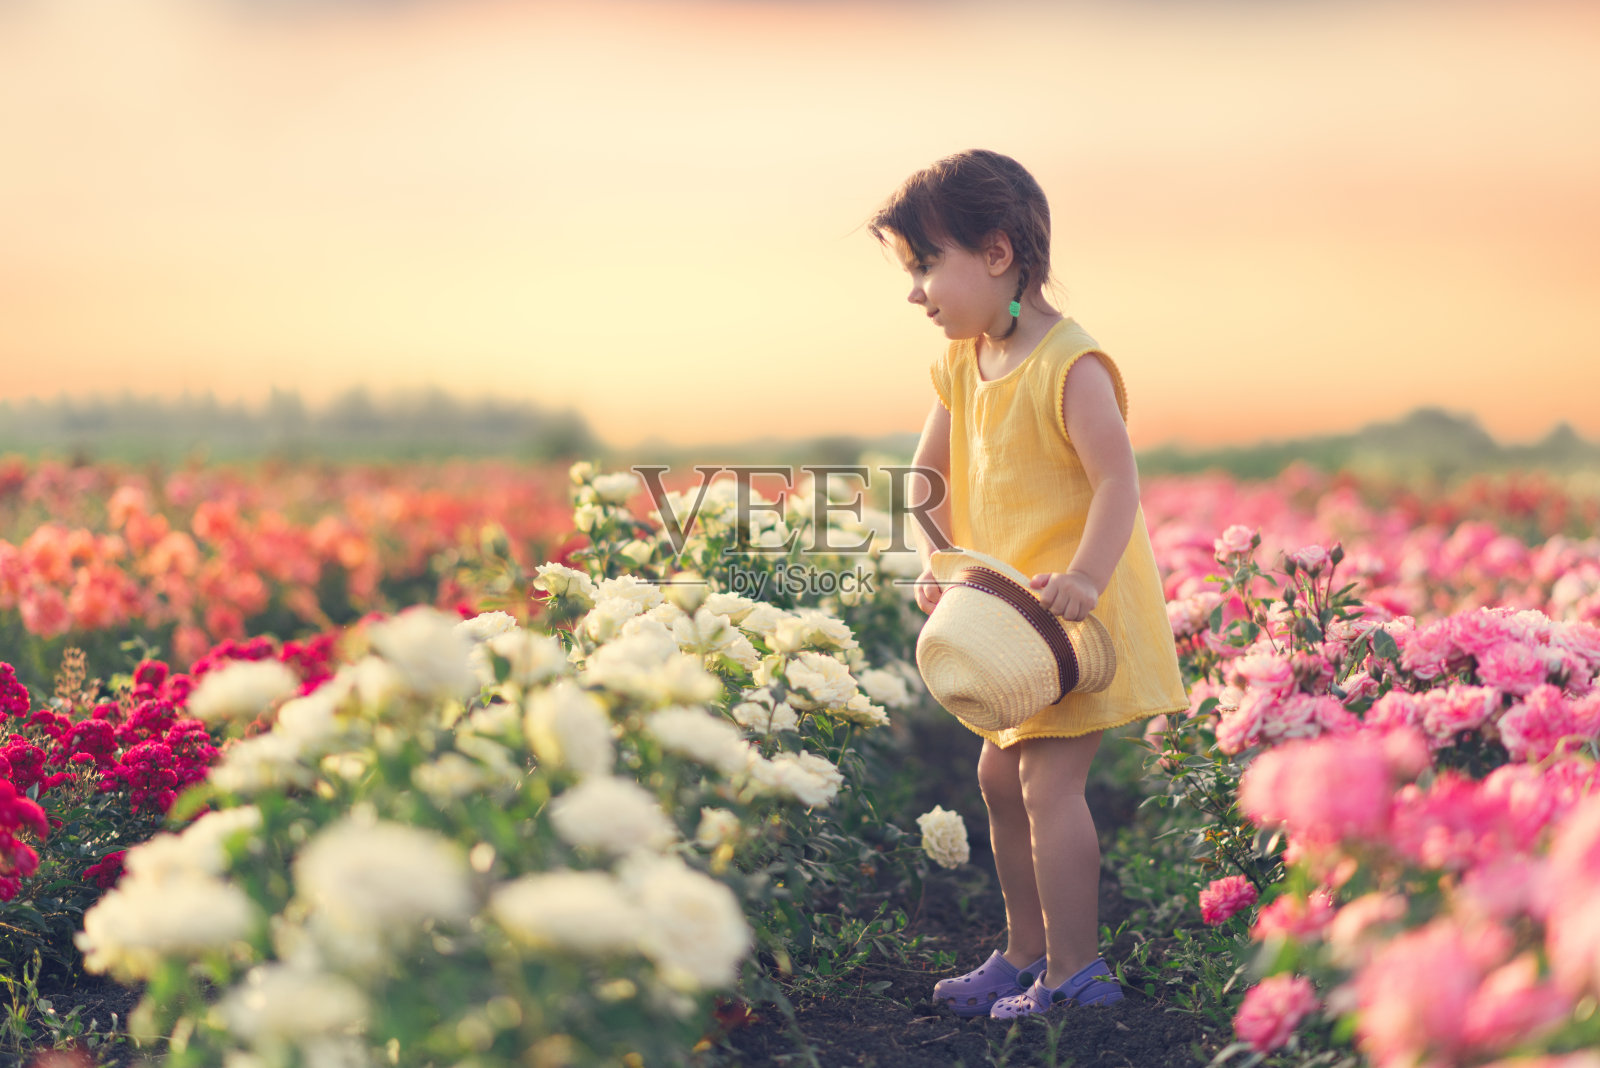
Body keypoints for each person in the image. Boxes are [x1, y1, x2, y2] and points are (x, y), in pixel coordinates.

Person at [867, 149, 1189, 1019]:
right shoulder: (962, 363)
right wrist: (944, 567)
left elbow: (1118, 481)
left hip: (1073, 621)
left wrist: (1086, 574)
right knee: (1000, 781)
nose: (915, 291)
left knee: (1049, 786)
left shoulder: (1071, 365)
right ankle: (1023, 952)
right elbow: (924, 477)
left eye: (927, 264)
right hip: (1009, 623)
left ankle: (1076, 975)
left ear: (998, 252)